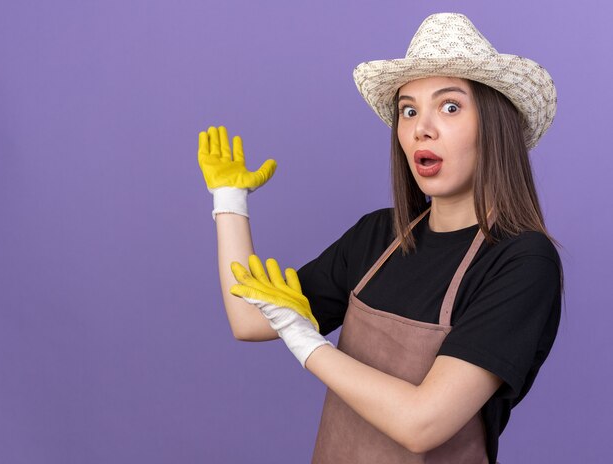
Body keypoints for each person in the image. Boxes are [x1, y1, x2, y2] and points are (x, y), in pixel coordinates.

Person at [197, 13, 563, 464]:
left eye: (450, 107)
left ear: (494, 125)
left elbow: (422, 424)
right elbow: (249, 320)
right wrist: (229, 201)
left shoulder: (521, 261)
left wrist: (305, 341)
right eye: (409, 109)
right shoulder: (379, 236)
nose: (420, 127)